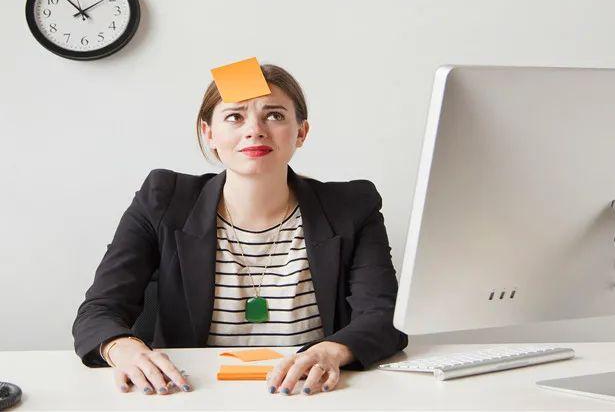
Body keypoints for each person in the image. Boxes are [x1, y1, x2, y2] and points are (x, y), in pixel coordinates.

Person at [72, 63, 408, 396]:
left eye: (274, 115)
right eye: (234, 116)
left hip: (310, 395)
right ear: (209, 133)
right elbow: (98, 312)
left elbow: (385, 316)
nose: (255, 130)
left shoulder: (351, 206)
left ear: (301, 132)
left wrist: (331, 351)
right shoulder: (163, 199)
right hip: (193, 395)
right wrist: (124, 349)